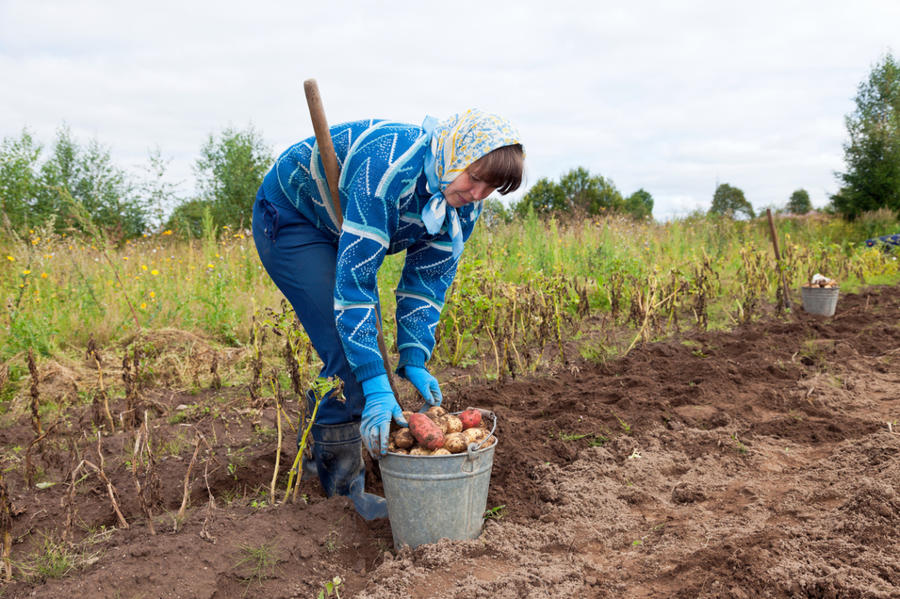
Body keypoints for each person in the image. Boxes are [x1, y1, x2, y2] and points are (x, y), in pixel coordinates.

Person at [252, 109, 524, 519]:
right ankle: (341, 496)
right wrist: (376, 382)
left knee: (360, 345)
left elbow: (427, 282)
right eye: (475, 176)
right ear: (454, 154)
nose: (478, 193)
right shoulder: (387, 168)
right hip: (295, 219)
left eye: (492, 187)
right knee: (351, 352)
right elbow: (355, 283)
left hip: (340, 227)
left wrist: (413, 358)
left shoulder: (463, 205)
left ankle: (317, 455)